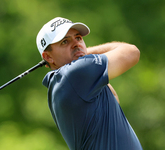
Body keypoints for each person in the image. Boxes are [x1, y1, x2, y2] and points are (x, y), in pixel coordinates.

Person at [36, 17, 143, 150]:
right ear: (48, 57)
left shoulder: (64, 83)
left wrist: (81, 54)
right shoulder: (75, 74)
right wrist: (84, 56)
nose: (76, 44)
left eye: (78, 38)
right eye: (65, 42)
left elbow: (114, 98)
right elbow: (131, 52)